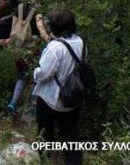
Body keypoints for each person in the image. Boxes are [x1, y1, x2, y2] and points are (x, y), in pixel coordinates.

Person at [33, 10, 84, 165]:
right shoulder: (81, 42)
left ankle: (43, 159)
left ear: (54, 27)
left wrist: (35, 72)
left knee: (44, 134)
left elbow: (43, 74)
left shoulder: (55, 47)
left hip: (51, 100)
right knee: (70, 136)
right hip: (73, 97)